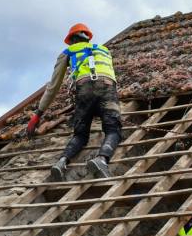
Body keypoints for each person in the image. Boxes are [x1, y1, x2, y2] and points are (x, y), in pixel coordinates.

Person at [27, 23, 122, 179]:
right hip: (107, 88)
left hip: (84, 90)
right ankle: (102, 159)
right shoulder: (104, 50)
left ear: (72, 39)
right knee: (113, 130)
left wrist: (38, 113)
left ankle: (61, 162)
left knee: (80, 134)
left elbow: (53, 87)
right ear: (87, 38)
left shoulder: (67, 51)